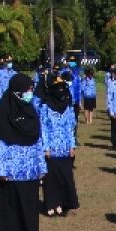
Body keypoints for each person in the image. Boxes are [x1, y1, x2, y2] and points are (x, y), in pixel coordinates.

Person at [0, 73, 45, 231]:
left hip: (30, 170)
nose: (30, 93)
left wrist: (41, 166)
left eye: (31, 90)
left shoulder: (31, 112)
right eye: (26, 90)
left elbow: (38, 140)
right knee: (11, 208)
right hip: (11, 171)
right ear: (17, 91)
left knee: (29, 206)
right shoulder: (3, 113)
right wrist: (2, 169)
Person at [38, 73, 79, 217]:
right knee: (51, 179)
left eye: (63, 88)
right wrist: (45, 148)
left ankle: (62, 203)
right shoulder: (45, 108)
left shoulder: (67, 108)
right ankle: (51, 204)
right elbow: (43, 129)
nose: (60, 91)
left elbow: (70, 128)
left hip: (65, 149)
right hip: (51, 149)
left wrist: (72, 146)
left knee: (65, 177)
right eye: (58, 88)